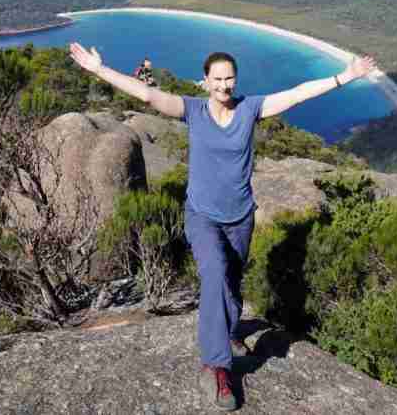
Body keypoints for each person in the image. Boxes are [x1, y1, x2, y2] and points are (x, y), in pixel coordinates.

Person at [69, 42, 377, 411]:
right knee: (214, 273)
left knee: (231, 281)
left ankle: (229, 332)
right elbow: (150, 95)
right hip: (203, 215)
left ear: (236, 79)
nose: (224, 85)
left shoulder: (250, 109)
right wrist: (98, 70)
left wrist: (346, 76)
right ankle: (216, 365)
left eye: (229, 77)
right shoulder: (194, 110)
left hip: (241, 215)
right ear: (205, 81)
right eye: (217, 79)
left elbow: (296, 95)